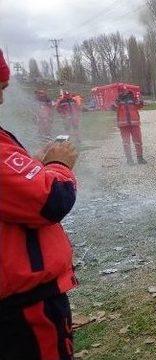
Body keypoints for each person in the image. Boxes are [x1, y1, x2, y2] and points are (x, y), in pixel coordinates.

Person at [0, 49, 79, 360]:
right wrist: (58, 166)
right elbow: (51, 200)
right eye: (0, 89)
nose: (3, 100)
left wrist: (32, 166)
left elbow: (11, 188)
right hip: (24, 308)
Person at [114, 87, 147, 165]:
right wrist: (116, 102)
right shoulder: (117, 99)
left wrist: (141, 102)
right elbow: (113, 107)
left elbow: (139, 106)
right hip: (123, 125)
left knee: (138, 141)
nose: (123, 92)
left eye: (124, 90)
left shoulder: (133, 97)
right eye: (121, 90)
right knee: (126, 142)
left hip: (134, 123)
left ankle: (140, 158)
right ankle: (129, 160)